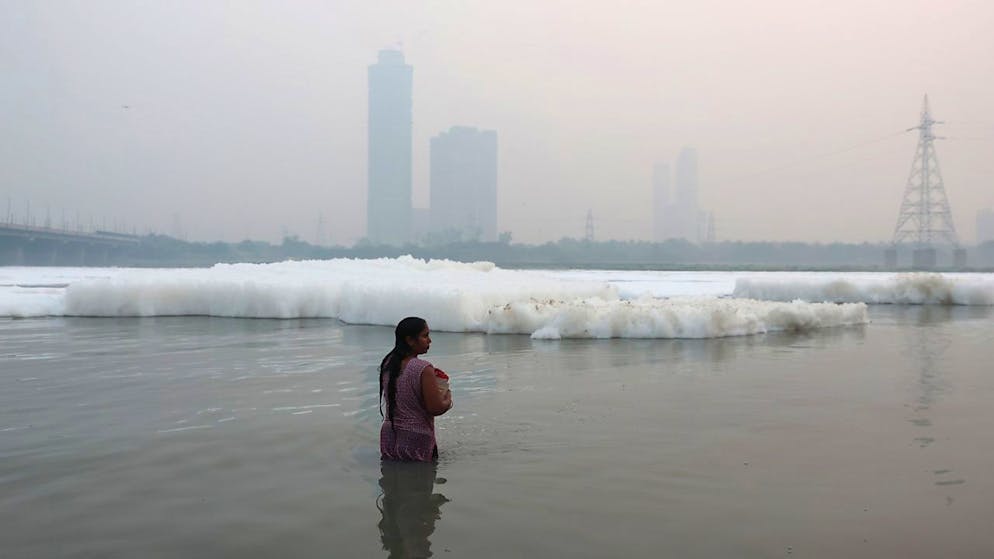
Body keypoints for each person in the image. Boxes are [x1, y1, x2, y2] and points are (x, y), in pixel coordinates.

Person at [380, 317, 452, 462]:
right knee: (420, 481)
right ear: (410, 340)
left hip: (389, 436)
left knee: (392, 481)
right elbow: (435, 408)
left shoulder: (388, 363)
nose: (429, 340)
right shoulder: (423, 368)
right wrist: (447, 399)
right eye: (425, 336)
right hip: (417, 438)